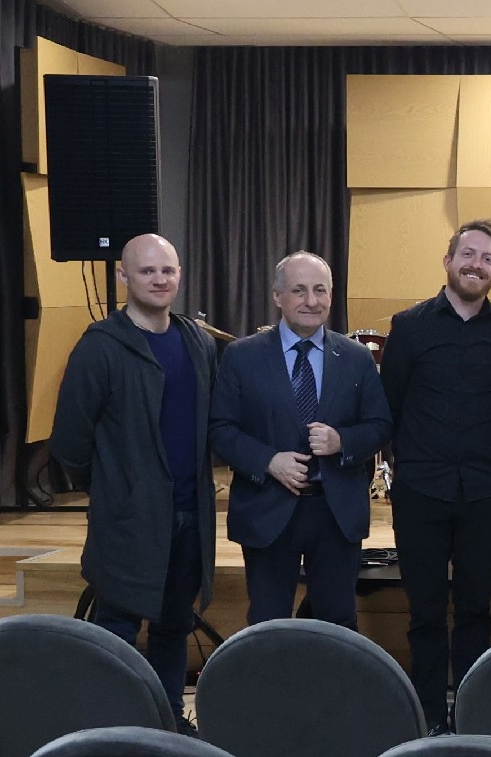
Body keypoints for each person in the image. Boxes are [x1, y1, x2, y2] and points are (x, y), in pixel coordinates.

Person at [49, 234, 216, 730]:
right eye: (147, 271)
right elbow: (70, 442)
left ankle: (167, 724)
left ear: (179, 274)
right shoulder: (100, 347)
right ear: (123, 276)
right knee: (117, 630)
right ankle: (115, 728)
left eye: (168, 270)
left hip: (190, 515)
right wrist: (116, 490)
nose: (160, 279)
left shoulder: (199, 342)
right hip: (129, 519)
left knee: (173, 627)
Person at [383, 220, 491, 732]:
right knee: (424, 613)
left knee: (475, 610)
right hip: (421, 491)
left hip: (485, 494)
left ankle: (468, 716)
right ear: (448, 261)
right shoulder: (409, 326)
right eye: (468, 254)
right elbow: (390, 404)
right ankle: (426, 718)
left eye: (487, 259)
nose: (476, 265)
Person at [210, 251, 392, 628]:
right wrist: (268, 461)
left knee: (337, 624)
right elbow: (220, 429)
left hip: (335, 513)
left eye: (320, 290)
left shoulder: (357, 358)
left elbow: (380, 425)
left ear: (331, 295)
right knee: (268, 624)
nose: (311, 300)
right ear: (277, 296)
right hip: (267, 510)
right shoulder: (241, 356)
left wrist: (342, 441)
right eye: (299, 290)